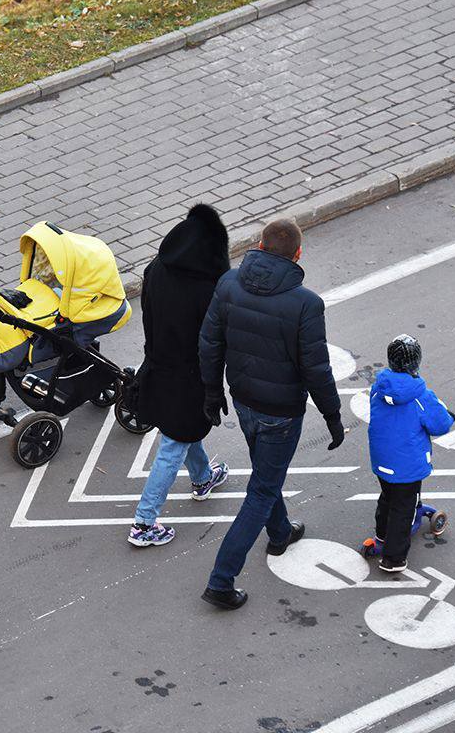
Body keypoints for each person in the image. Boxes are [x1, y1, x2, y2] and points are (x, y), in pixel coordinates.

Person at [198, 217, 344, 609]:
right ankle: (221, 579)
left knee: (265, 473)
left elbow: (209, 342)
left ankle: (280, 532)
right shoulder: (306, 304)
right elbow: (316, 367)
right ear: (298, 254)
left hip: (242, 399)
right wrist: (332, 415)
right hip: (281, 412)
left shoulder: (228, 283)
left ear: (260, 245)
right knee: (261, 490)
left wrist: (212, 392)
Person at [128, 204, 232, 547]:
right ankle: (144, 521)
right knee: (174, 443)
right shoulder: (209, 287)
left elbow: (148, 318)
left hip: (159, 365)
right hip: (190, 376)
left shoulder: (156, 269)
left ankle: (202, 478)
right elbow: (214, 341)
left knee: (183, 429)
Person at [364, 335, 455, 572]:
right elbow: (440, 424)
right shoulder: (420, 396)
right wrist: (448, 415)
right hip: (407, 466)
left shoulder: (378, 388)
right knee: (404, 509)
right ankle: (394, 559)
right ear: (417, 362)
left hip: (382, 460)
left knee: (387, 498)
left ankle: (381, 539)